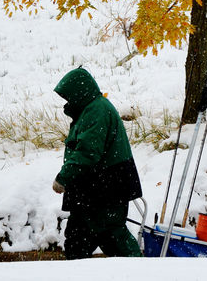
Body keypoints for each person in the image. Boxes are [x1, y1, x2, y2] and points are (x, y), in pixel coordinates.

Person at [53, 65, 143, 258]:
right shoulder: (92, 108)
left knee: (109, 234)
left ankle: (139, 272)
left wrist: (63, 178)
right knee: (82, 236)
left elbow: (88, 153)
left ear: (78, 92)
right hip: (97, 188)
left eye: (68, 96)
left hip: (106, 188)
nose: (67, 101)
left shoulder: (96, 111)